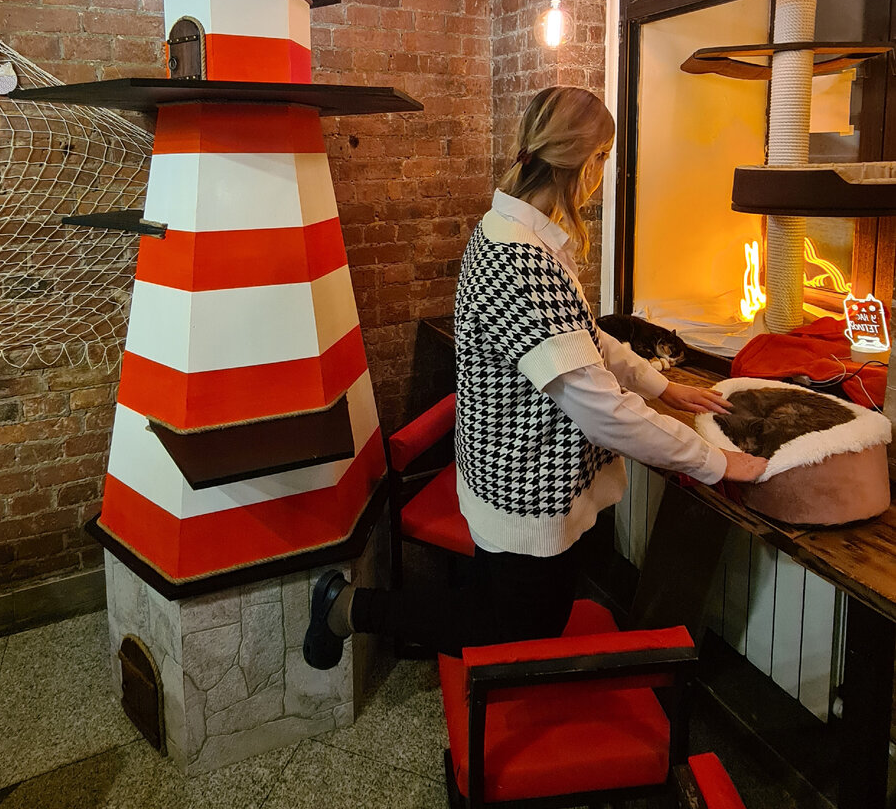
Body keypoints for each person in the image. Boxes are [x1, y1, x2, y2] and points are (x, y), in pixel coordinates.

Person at [304, 86, 767, 669]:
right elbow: (599, 410)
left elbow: (584, 337)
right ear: (586, 163)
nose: (602, 173)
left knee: (505, 607)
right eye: (603, 158)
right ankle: (349, 608)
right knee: (518, 625)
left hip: (503, 466)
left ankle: (354, 608)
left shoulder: (509, 229)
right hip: (523, 482)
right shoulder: (521, 260)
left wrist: (661, 385)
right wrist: (715, 462)